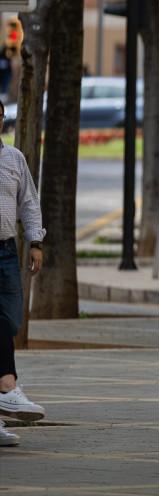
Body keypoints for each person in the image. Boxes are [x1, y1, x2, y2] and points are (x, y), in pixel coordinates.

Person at [0, 110, 46, 447]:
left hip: (6, 251)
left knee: (10, 320)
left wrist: (35, 242)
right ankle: (7, 385)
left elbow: (28, 201)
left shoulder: (13, 158)